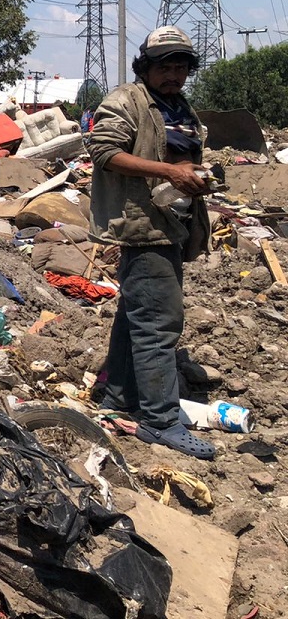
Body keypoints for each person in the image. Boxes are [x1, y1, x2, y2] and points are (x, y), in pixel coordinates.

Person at [86, 26, 215, 460]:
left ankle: (118, 398)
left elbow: (180, 152)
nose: (174, 74)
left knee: (135, 315)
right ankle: (160, 421)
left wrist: (196, 174)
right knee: (159, 322)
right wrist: (170, 173)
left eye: (181, 67)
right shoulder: (127, 100)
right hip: (143, 227)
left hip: (172, 223)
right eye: (166, 66)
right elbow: (103, 152)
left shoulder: (178, 105)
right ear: (147, 66)